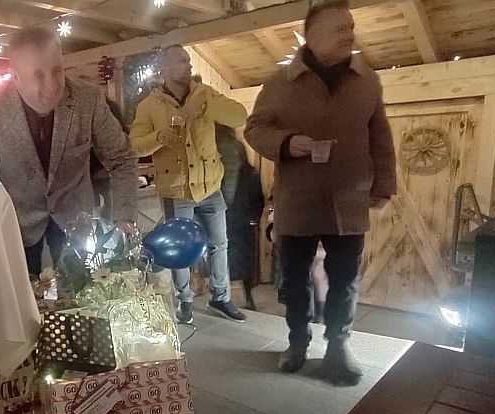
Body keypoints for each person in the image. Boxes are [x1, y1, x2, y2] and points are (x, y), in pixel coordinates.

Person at [244, 0, 396, 384]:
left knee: (345, 280)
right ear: (312, 35)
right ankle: (297, 341)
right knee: (295, 280)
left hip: (350, 198)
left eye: (351, 27)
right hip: (298, 198)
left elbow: (380, 136)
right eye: (340, 28)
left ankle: (338, 347)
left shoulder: (367, 80)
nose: (350, 35)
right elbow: (255, 129)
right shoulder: (279, 83)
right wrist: (286, 142)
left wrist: (384, 183)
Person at [0, 27, 138, 277]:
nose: (52, 85)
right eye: (38, 75)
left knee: (86, 295)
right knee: (22, 298)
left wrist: (124, 217)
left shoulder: (88, 99)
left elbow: (122, 159)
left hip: (77, 221)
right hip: (16, 224)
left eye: (57, 71)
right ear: (15, 76)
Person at [130, 44, 248, 324]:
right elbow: (135, 146)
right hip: (176, 189)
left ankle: (221, 298)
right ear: (165, 68)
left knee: (220, 244)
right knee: (179, 248)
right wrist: (159, 137)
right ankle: (185, 300)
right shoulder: (149, 106)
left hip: (210, 185)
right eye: (182, 61)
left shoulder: (205, 94)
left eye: (188, 60)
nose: (189, 65)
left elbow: (239, 115)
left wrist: (205, 106)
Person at [216, 124, 264, 311]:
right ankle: (237, 296)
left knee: (233, 260)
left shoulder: (247, 172)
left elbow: (257, 197)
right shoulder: (249, 170)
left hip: (236, 218)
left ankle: (237, 296)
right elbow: (257, 197)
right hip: (237, 218)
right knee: (236, 261)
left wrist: (254, 217)